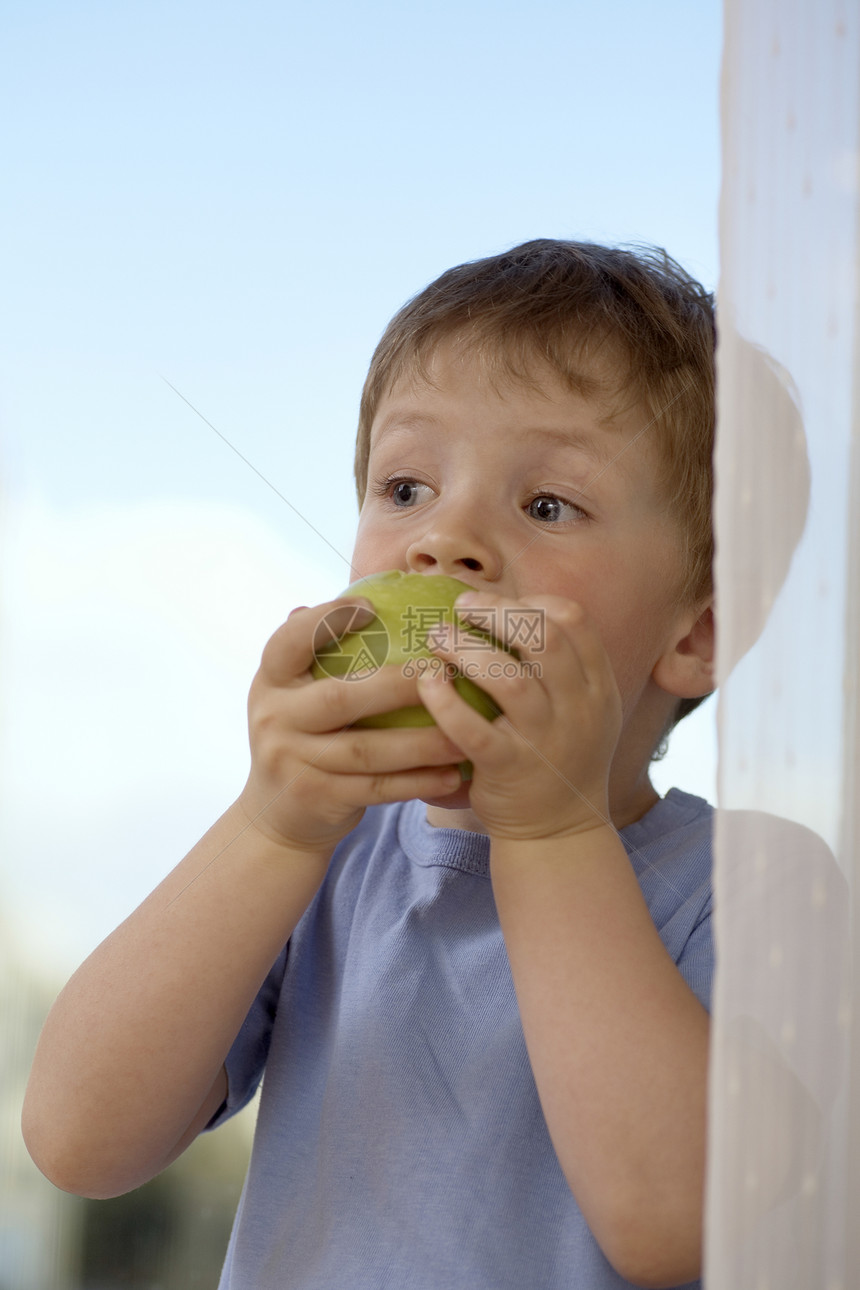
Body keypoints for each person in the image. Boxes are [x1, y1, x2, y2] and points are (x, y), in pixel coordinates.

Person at [24, 240, 720, 1289]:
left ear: (694, 635)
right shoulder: (325, 862)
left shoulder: (746, 891)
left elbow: (679, 1228)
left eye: (545, 506)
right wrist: (268, 828)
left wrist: (551, 829)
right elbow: (79, 1140)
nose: (441, 542)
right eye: (405, 486)